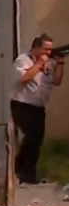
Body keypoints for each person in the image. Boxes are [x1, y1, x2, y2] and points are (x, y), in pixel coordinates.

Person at [11, 34, 63, 185]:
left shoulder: (50, 63)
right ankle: (26, 173)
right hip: (22, 104)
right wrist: (40, 63)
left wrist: (60, 64)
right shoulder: (23, 60)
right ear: (35, 48)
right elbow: (24, 78)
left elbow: (57, 81)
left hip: (39, 107)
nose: (48, 52)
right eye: (45, 49)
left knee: (36, 140)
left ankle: (22, 169)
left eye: (50, 50)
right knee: (30, 138)